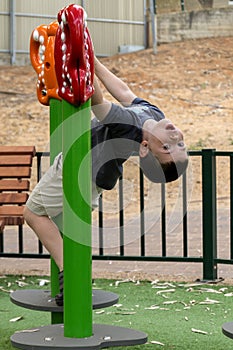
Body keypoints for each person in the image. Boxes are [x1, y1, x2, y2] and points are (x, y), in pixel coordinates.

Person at [24, 56, 188, 306]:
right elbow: (124, 90)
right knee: (63, 223)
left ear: (144, 148)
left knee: (33, 213)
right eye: (180, 144)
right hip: (91, 173)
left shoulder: (128, 126)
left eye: (167, 147)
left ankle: (71, 273)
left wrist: (82, 62)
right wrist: (95, 62)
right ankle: (75, 266)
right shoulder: (154, 114)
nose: (176, 137)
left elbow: (98, 103)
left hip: (78, 169)